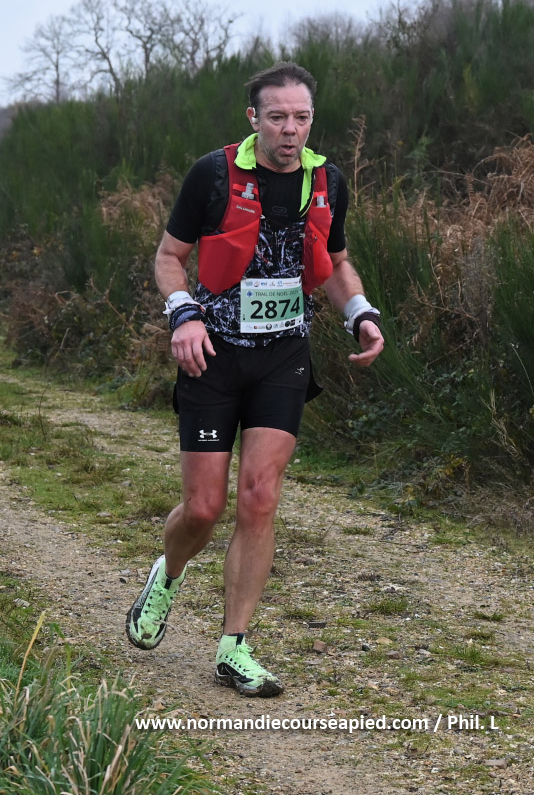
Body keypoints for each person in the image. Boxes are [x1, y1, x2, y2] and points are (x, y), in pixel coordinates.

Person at [126, 61, 384, 697]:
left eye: (301, 117)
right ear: (254, 118)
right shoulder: (213, 175)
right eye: (277, 117)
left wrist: (360, 313)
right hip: (211, 356)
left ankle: (233, 647)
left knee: (259, 497)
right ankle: (168, 573)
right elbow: (169, 257)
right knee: (203, 509)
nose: (290, 130)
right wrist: (183, 314)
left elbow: (335, 263)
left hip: (282, 356)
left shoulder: (327, 181)